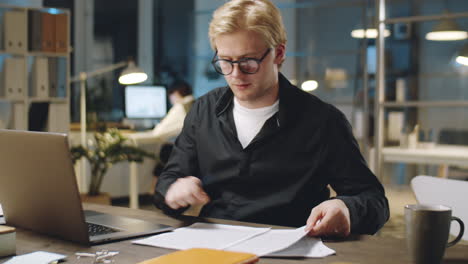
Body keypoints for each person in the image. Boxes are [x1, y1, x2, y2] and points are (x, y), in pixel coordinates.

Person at [153, 0, 389, 237]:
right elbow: (169, 181)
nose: (235, 75)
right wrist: (173, 190)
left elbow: (374, 200)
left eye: (248, 61)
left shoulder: (323, 121)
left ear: (279, 53)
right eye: (225, 61)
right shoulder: (203, 111)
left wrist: (346, 208)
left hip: (291, 248)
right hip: (214, 247)